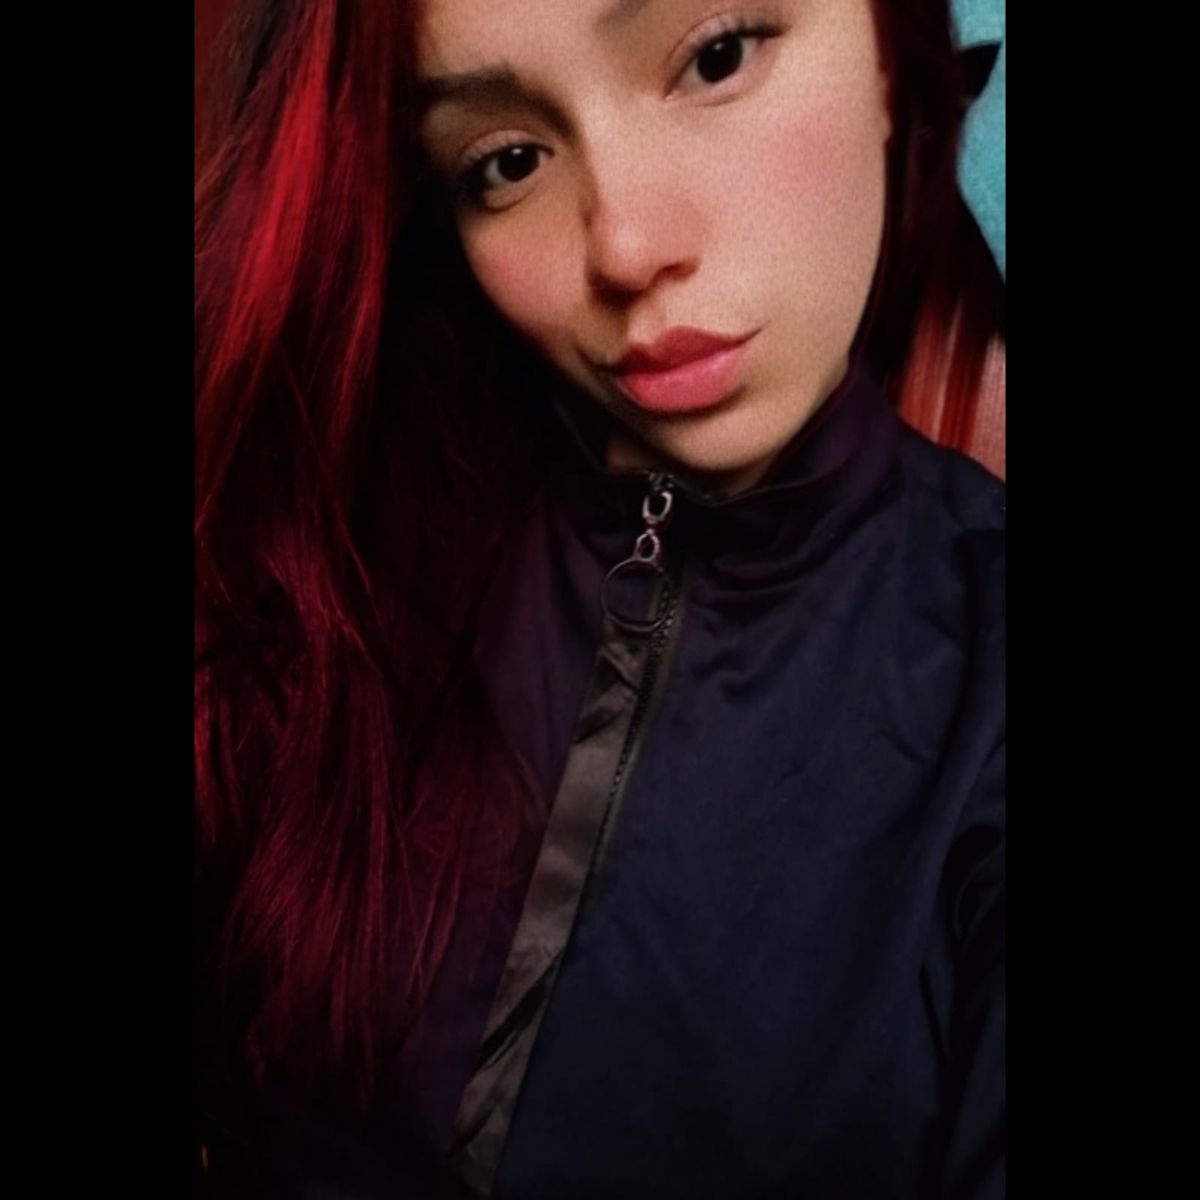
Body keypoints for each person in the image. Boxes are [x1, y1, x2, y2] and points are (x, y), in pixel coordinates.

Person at [194, 0, 1005, 1196]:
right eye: (507, 161)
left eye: (716, 58)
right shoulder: (329, 551)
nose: (624, 246)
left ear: (889, 53)